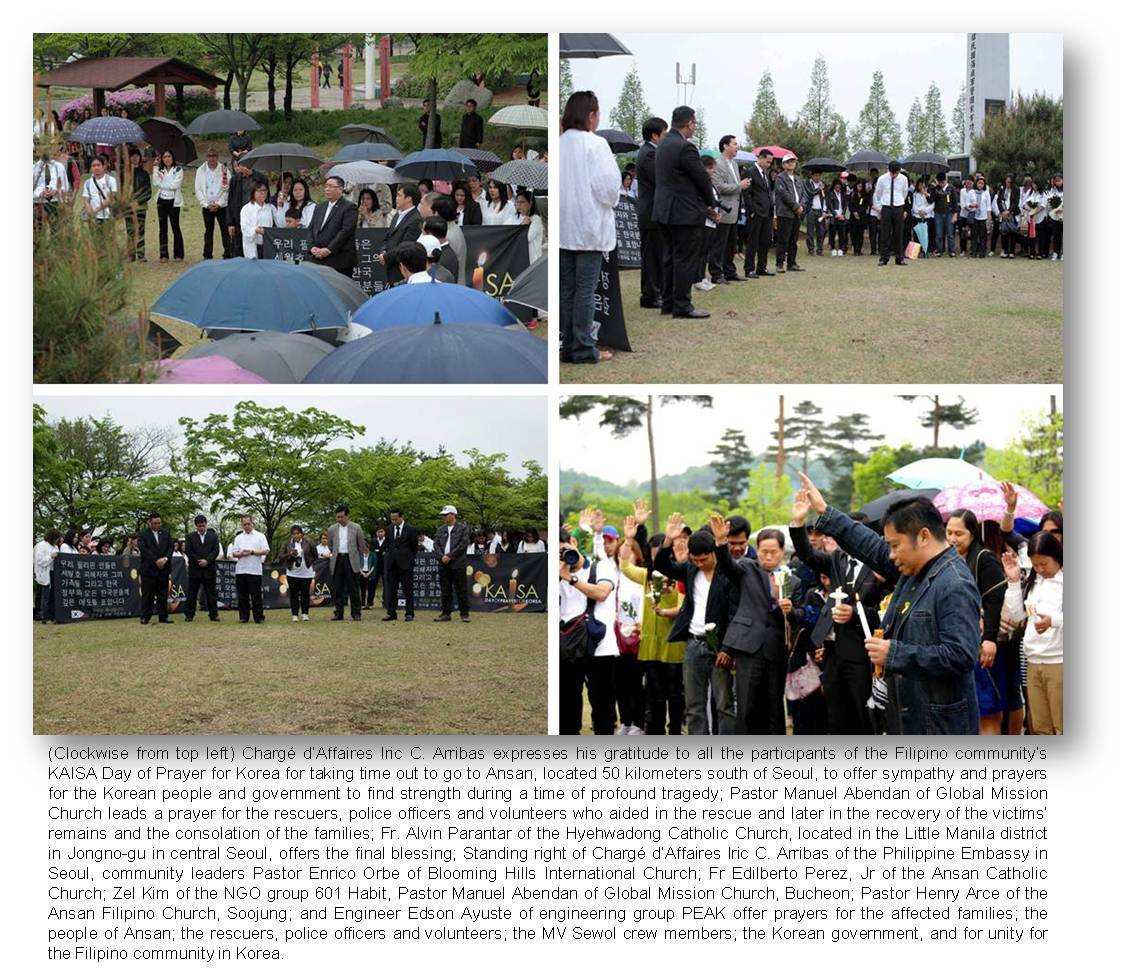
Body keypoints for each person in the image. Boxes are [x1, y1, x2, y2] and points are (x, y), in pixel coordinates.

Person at [795, 474, 981, 734]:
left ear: (924, 536)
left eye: (895, 545)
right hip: (909, 715)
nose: (890, 555)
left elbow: (960, 655)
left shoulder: (953, 583)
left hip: (938, 725)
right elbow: (871, 547)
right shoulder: (917, 569)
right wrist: (825, 511)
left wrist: (894, 654)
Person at [788, 509, 887, 735]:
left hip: (863, 654)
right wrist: (797, 522)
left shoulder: (881, 566)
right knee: (836, 718)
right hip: (832, 653)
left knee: (863, 718)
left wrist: (854, 612)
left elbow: (884, 610)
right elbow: (807, 554)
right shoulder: (838, 559)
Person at [707, 517, 794, 735]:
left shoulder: (793, 579)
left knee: (775, 708)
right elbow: (727, 566)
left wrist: (790, 609)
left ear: (782, 551)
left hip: (776, 648)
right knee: (746, 706)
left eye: (773, 551)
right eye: (763, 551)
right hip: (749, 646)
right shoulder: (747, 569)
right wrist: (720, 542)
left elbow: (801, 614)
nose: (768, 556)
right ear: (757, 550)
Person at [654, 513, 733, 735]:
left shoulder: (728, 573)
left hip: (719, 648)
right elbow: (661, 565)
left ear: (714, 554)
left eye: (704, 560)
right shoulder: (690, 570)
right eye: (695, 559)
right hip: (693, 644)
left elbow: (734, 614)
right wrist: (668, 540)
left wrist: (727, 648)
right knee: (694, 706)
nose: (699, 564)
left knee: (724, 705)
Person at [559, 90, 619, 363]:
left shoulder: (560, 143)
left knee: (568, 290)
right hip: (588, 226)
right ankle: (583, 347)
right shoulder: (595, 144)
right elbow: (608, 189)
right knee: (584, 289)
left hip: (564, 226)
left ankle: (569, 345)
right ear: (591, 115)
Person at [945, 510, 1009, 735]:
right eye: (949, 532)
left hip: (982, 645)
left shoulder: (984, 558)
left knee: (987, 711)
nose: (952, 538)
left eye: (959, 534)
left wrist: (989, 639)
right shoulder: (947, 560)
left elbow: (994, 600)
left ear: (972, 534)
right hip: (958, 645)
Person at [652, 106, 715, 318]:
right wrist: (711, 205)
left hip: (663, 210)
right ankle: (682, 305)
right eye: (694, 123)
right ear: (689, 123)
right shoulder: (684, 147)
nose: (694, 127)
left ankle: (668, 302)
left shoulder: (662, 145)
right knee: (685, 259)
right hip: (683, 212)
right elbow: (701, 178)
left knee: (670, 257)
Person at [1003, 531, 1063, 734]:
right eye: (1035, 565)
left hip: (1059, 661)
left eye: (1044, 564)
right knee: (1039, 726)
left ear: (1056, 557)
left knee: (1062, 726)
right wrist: (1013, 582)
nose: (1040, 569)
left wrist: (1053, 621)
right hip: (1033, 660)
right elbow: (1018, 614)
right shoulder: (1034, 582)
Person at [635, 117, 668, 309]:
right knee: (651, 257)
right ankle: (649, 295)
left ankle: (658, 292)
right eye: (664, 134)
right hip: (651, 214)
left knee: (658, 254)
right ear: (655, 135)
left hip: (656, 213)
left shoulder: (652, 152)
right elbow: (660, 180)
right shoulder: (648, 154)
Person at [708, 135, 750, 285]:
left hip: (735, 210)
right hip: (723, 209)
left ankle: (729, 271)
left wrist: (740, 186)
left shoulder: (733, 164)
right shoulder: (718, 163)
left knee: (731, 243)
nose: (737, 147)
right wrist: (740, 186)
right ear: (725, 146)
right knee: (719, 244)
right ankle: (716, 273)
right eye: (734, 144)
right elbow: (718, 186)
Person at [308, 176, 358, 276]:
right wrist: (311, 247)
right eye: (326, 186)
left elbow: (346, 231)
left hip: (339, 261)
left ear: (340, 189)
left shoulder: (349, 207)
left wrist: (329, 249)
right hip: (318, 260)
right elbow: (311, 228)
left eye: (331, 186)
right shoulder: (320, 207)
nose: (327, 189)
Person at [377, 184, 423, 286]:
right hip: (391, 268)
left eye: (399, 195)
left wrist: (387, 257)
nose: (396, 198)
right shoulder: (397, 215)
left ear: (409, 199)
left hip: (402, 270)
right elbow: (387, 237)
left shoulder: (416, 219)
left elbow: (406, 246)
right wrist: (383, 251)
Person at [741, 147, 776, 279]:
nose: (769, 164)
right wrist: (752, 210)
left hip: (767, 213)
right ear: (760, 158)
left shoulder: (765, 174)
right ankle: (749, 269)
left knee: (765, 241)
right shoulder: (750, 172)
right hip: (756, 212)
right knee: (753, 242)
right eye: (767, 161)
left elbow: (766, 193)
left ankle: (762, 267)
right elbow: (747, 193)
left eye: (771, 162)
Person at [328, 505, 367, 622]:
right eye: (337, 517)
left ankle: (356, 613)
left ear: (347, 516)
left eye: (341, 517)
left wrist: (358, 557)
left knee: (353, 588)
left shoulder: (356, 527)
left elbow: (361, 545)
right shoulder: (332, 529)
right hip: (338, 559)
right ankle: (338, 613)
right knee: (338, 588)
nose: (339, 519)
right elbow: (330, 545)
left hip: (351, 559)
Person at [434, 505, 472, 623]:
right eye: (443, 515)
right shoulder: (440, 529)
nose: (443, 517)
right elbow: (436, 545)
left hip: (458, 563)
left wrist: (449, 556)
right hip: (443, 564)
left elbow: (463, 544)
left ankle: (464, 614)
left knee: (461, 589)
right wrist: (442, 557)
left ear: (453, 515)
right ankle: (446, 613)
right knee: (445, 589)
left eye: (445, 515)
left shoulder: (463, 528)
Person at [229, 515, 269, 624]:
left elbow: (266, 550)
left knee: (256, 595)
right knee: (242, 595)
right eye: (244, 524)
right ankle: (243, 617)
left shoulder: (260, 536)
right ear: (241, 525)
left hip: (255, 570)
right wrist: (241, 553)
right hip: (241, 569)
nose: (246, 526)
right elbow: (234, 553)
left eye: (248, 524)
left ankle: (259, 617)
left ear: (252, 523)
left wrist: (252, 552)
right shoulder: (238, 538)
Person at [192, 148, 230, 260]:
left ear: (217, 157)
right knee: (208, 231)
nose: (212, 158)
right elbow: (198, 189)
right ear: (206, 157)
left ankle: (228, 254)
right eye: (209, 156)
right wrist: (205, 204)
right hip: (207, 206)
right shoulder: (200, 170)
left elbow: (227, 189)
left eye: (214, 156)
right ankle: (207, 255)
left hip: (221, 206)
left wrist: (219, 203)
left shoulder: (224, 170)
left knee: (225, 230)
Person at [771, 154, 805, 273]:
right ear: (783, 164)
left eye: (793, 161)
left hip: (796, 214)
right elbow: (784, 194)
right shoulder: (780, 178)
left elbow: (803, 195)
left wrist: (801, 206)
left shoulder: (798, 178)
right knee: (783, 239)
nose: (791, 163)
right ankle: (779, 263)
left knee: (793, 239)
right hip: (785, 213)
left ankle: (792, 263)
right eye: (788, 161)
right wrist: (796, 206)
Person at [138, 513, 174, 625]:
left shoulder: (166, 533)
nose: (157, 525)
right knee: (147, 594)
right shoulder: (143, 534)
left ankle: (163, 616)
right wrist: (156, 561)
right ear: (149, 522)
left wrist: (165, 559)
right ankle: (145, 617)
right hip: (149, 569)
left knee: (163, 594)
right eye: (154, 523)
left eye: (159, 523)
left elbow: (170, 547)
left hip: (163, 568)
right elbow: (144, 550)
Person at [184, 514, 221, 623]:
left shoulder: (213, 536)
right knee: (192, 593)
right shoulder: (190, 537)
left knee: (211, 593)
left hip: (209, 569)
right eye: (199, 526)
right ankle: (189, 614)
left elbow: (216, 551)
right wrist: (198, 561)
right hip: (195, 569)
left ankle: (214, 614)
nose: (201, 528)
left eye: (203, 525)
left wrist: (207, 561)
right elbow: (188, 551)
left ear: (206, 524)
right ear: (196, 526)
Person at [226, 160, 268, 255]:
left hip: (257, 217)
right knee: (238, 247)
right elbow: (230, 200)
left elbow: (266, 197)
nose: (243, 168)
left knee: (257, 248)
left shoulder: (261, 178)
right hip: (238, 218)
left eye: (246, 165)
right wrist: (230, 223)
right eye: (241, 165)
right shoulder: (234, 180)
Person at [383, 510, 418, 621]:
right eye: (392, 519)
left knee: (407, 589)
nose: (394, 521)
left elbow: (414, 547)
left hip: (406, 564)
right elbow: (389, 546)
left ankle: (409, 613)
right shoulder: (388, 529)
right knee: (391, 589)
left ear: (402, 517)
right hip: (392, 564)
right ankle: (391, 612)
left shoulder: (411, 529)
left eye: (396, 519)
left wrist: (409, 558)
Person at [873, 160, 909, 266]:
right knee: (885, 233)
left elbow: (904, 193)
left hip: (898, 207)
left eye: (896, 173)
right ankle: (884, 257)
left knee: (899, 233)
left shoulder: (903, 179)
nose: (894, 175)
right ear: (889, 170)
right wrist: (883, 204)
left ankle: (899, 258)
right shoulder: (882, 179)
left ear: (899, 171)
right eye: (892, 173)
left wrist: (898, 202)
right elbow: (878, 193)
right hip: (886, 207)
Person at [151, 150, 185, 262]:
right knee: (162, 228)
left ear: (173, 157)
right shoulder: (159, 169)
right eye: (164, 157)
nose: (167, 159)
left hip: (173, 201)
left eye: (169, 156)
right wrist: (155, 168)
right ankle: (164, 254)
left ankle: (178, 254)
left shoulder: (178, 170)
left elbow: (175, 185)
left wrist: (163, 184)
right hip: (161, 200)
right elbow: (155, 183)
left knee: (175, 227)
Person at [124, 148, 151, 262]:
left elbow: (148, 192)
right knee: (130, 230)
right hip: (128, 207)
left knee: (140, 230)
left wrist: (138, 202)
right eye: (132, 156)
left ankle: (141, 255)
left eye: (137, 156)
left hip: (140, 207)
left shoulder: (144, 174)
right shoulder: (125, 174)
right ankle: (131, 255)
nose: (135, 158)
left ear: (140, 158)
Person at [34, 529, 62, 624]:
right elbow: (40, 561)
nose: (57, 541)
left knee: (54, 595)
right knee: (46, 596)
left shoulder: (55, 546)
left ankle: (53, 615)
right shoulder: (41, 545)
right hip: (46, 573)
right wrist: (51, 556)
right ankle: (44, 617)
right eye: (56, 538)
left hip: (55, 572)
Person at [239, 180, 273, 259]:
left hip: (267, 245)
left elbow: (278, 222)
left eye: (264, 190)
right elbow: (244, 228)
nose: (263, 193)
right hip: (253, 245)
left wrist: (280, 205)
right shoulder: (246, 209)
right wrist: (255, 230)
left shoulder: (270, 208)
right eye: (259, 190)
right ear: (253, 192)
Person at [82, 155, 117, 223]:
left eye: (98, 165)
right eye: (93, 166)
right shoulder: (88, 182)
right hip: (93, 218)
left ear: (103, 166)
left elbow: (109, 199)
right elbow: (86, 200)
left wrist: (95, 211)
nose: (96, 168)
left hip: (107, 216)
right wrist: (90, 214)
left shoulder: (110, 180)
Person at [930, 172, 958, 257]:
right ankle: (939, 250)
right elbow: (931, 199)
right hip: (938, 213)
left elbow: (955, 202)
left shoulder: (951, 188)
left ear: (945, 180)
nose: (941, 184)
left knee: (950, 233)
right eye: (939, 182)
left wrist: (955, 214)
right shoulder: (936, 188)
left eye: (942, 182)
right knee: (938, 234)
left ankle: (951, 251)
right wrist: (934, 189)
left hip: (949, 213)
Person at [991, 175, 1018, 258]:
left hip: (1012, 213)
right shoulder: (1002, 189)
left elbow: (1016, 202)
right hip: (1003, 213)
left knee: (1012, 232)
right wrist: (1003, 212)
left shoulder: (1016, 189)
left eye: (1009, 182)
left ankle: (1012, 251)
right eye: (1007, 181)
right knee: (1004, 231)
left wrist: (1009, 211)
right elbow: (999, 201)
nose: (1008, 183)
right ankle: (1005, 250)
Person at [514, 190, 544, 264]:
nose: (519, 204)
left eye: (522, 202)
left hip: (533, 260)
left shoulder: (536, 219)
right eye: (517, 202)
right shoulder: (514, 217)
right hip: (518, 258)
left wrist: (523, 226)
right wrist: (522, 224)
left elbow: (527, 238)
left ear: (530, 203)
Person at [802, 171, 826, 257]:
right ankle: (811, 249)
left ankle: (820, 249)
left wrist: (824, 210)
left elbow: (824, 198)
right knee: (810, 231)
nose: (817, 177)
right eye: (816, 175)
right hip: (811, 209)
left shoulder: (823, 185)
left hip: (820, 210)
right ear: (812, 176)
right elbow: (810, 193)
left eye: (819, 175)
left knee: (821, 231)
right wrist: (818, 189)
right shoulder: (808, 183)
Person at [910, 178, 934, 258]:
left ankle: (926, 250)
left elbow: (932, 205)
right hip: (917, 216)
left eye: (923, 185)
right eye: (920, 185)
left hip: (927, 216)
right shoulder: (915, 194)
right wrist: (919, 211)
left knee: (926, 234)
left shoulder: (929, 194)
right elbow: (913, 206)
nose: (922, 187)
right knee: (917, 234)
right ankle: (917, 251)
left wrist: (925, 211)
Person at [968, 175, 990, 258]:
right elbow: (967, 204)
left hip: (983, 217)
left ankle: (982, 253)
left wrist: (989, 216)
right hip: (974, 216)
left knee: (983, 236)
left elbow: (988, 206)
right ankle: (973, 252)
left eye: (982, 183)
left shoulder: (986, 193)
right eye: (979, 183)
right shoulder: (971, 192)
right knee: (974, 235)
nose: (980, 185)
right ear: (976, 183)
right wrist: (972, 205)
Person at [826, 175, 848, 257]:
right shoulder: (830, 194)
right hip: (833, 216)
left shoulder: (843, 194)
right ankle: (833, 249)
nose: (838, 188)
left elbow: (845, 205)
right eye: (836, 186)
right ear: (834, 186)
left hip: (842, 216)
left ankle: (841, 249)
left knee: (842, 234)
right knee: (832, 233)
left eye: (839, 186)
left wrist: (842, 214)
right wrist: (836, 215)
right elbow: (830, 205)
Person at [367, 527, 387, 608]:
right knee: (372, 584)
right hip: (375, 566)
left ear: (384, 532)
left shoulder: (388, 541)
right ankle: (369, 603)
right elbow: (372, 552)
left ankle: (385, 602)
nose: (380, 533)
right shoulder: (373, 541)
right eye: (378, 532)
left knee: (386, 585)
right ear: (376, 533)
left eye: (381, 531)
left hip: (385, 566)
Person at [1045, 174, 1064, 260]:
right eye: (1056, 181)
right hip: (1055, 215)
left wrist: (1062, 208)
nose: (1058, 182)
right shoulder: (1052, 190)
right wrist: (1055, 209)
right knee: (1056, 235)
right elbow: (1049, 202)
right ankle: (1056, 252)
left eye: (1059, 180)